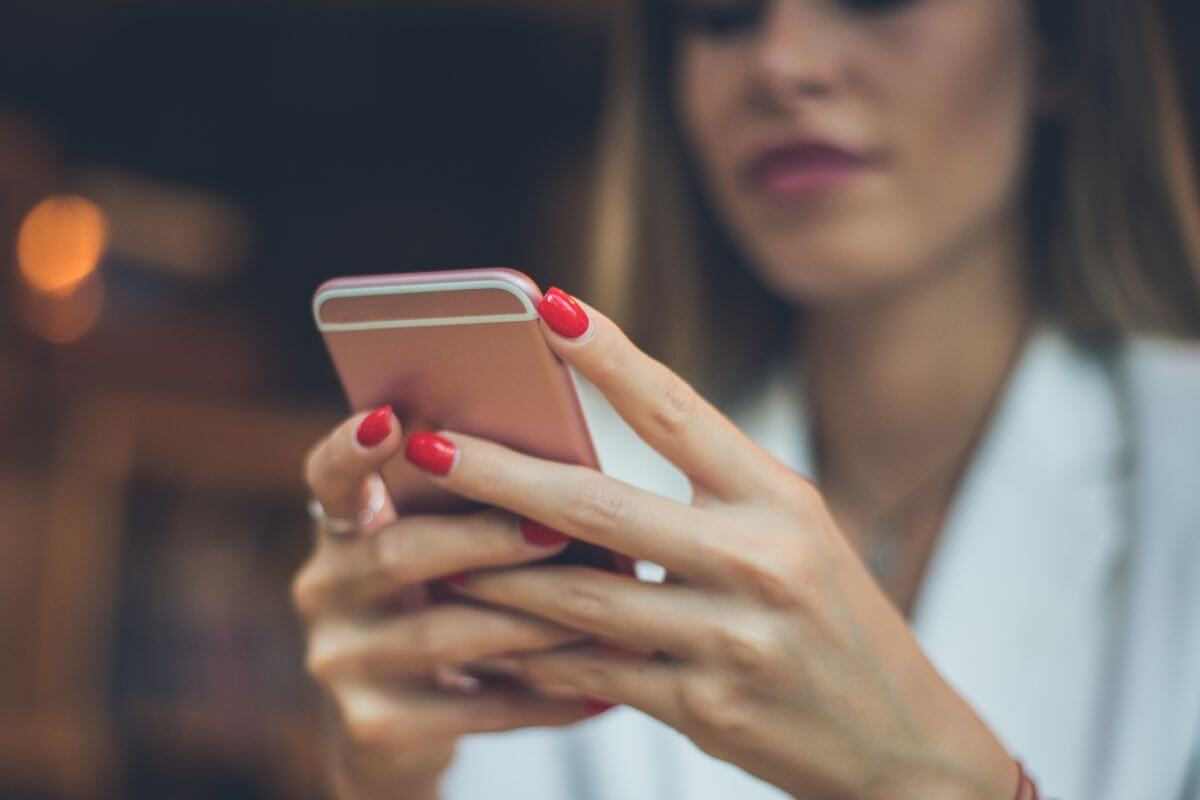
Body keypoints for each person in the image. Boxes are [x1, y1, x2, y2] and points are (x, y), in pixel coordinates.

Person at [294, 0, 1200, 797]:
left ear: (1059, 44)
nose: (783, 63)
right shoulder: (572, 486)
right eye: (722, 12)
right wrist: (391, 783)